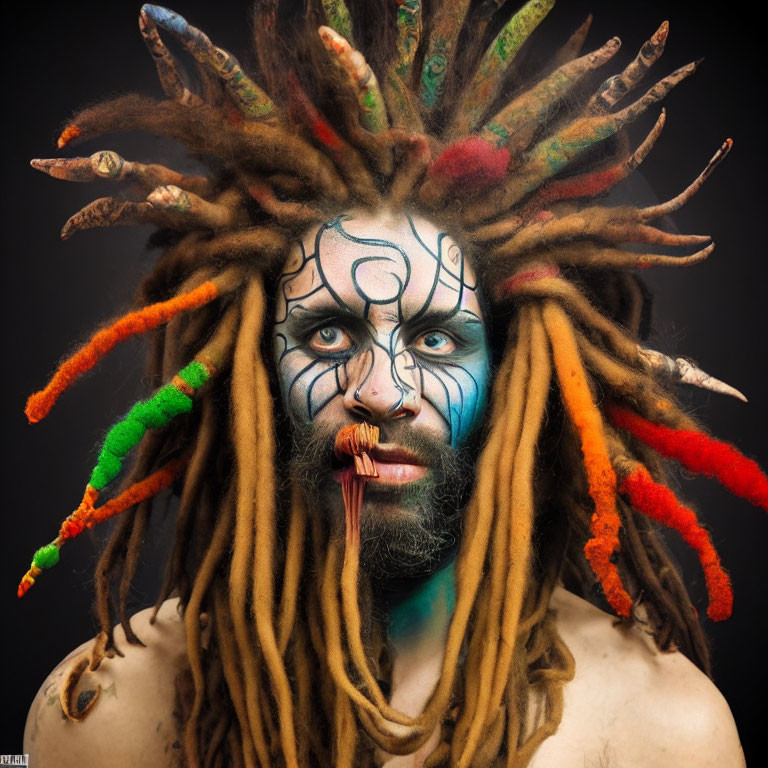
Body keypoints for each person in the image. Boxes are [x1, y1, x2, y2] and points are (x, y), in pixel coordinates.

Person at [19, 1, 759, 765]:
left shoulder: (661, 733)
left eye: (437, 339)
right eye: (328, 332)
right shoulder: (108, 720)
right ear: (253, 372)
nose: (380, 391)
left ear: (510, 375)